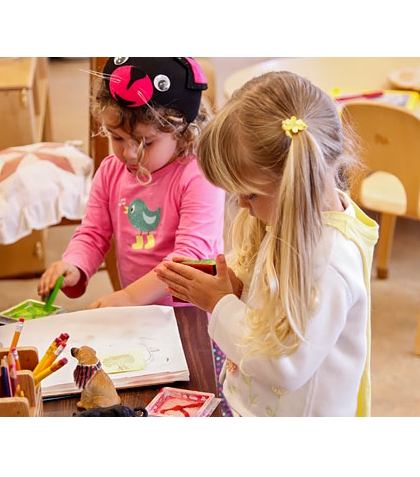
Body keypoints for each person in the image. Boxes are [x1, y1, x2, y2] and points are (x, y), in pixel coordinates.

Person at [155, 70, 379, 417]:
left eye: (249, 194)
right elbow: (273, 301)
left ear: (295, 183)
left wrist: (220, 303)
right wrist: (237, 287)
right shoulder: (288, 215)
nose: (242, 206)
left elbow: (284, 367)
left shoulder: (330, 264)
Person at [38, 58, 224, 308]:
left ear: (182, 132)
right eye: (117, 138)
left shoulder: (200, 176)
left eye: (146, 142)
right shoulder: (110, 171)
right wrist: (75, 264)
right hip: (140, 312)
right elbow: (93, 233)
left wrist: (130, 297)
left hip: (193, 313)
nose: (130, 153)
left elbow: (188, 258)